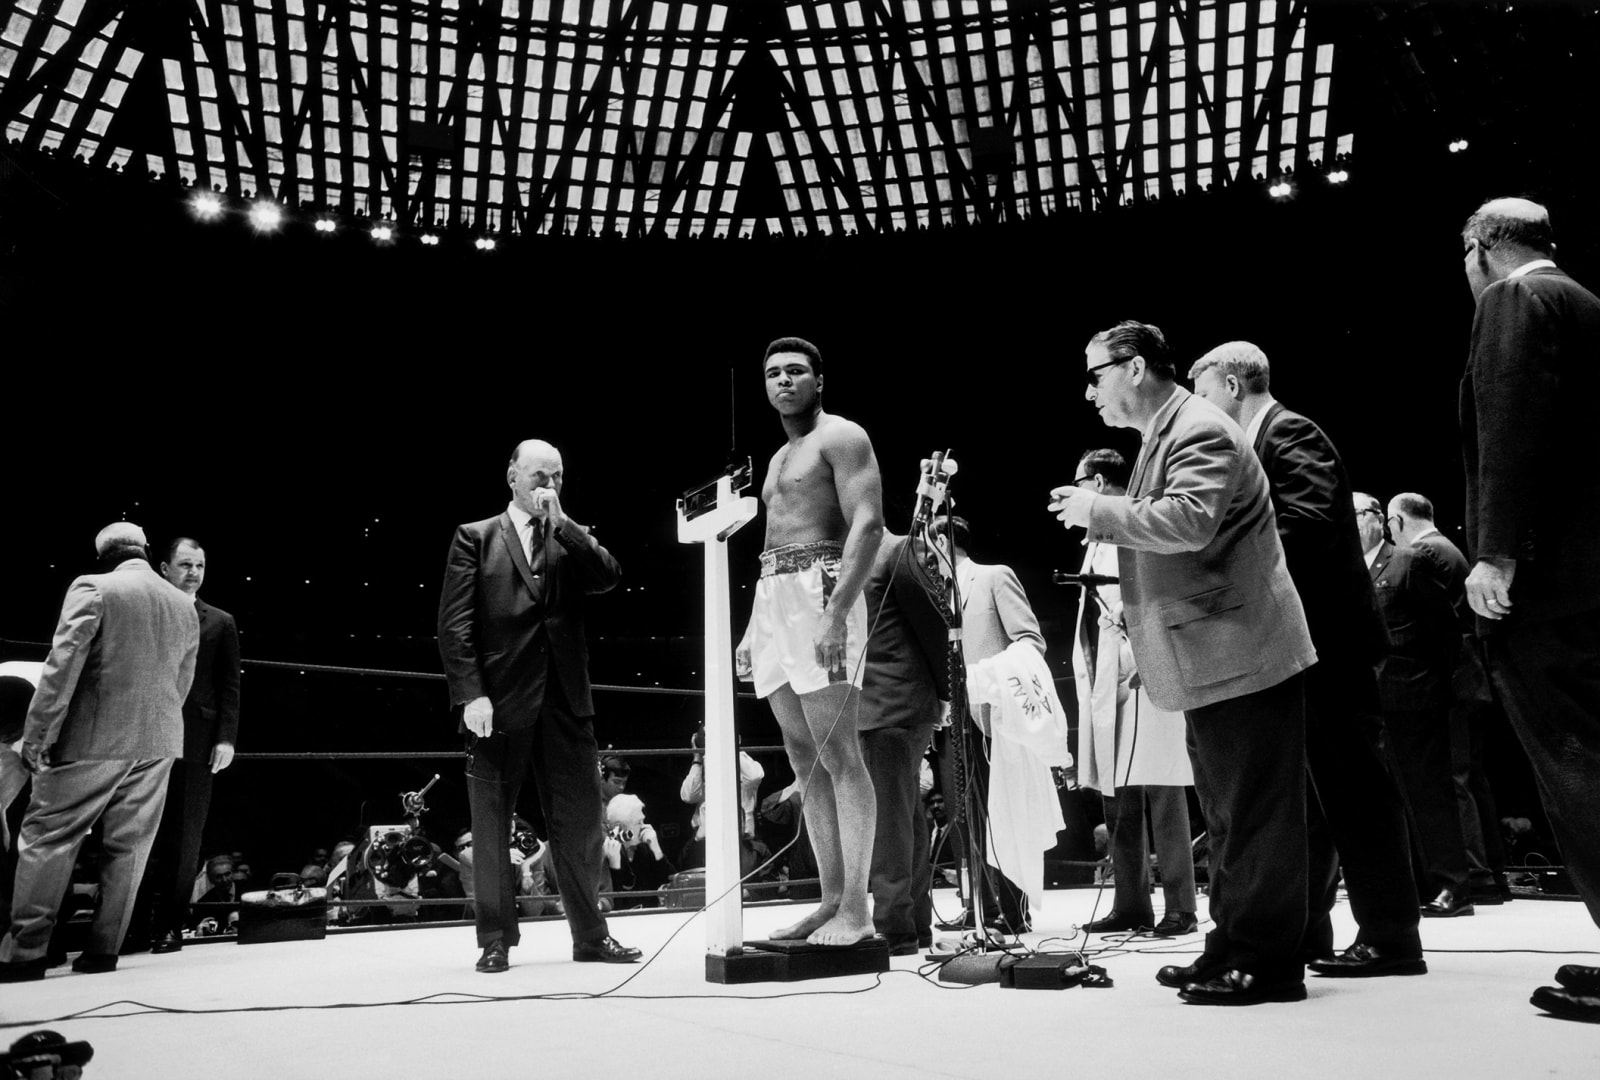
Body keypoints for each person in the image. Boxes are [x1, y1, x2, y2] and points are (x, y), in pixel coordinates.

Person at [1048, 321, 1316, 1006]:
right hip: (1215, 650)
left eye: (1094, 374)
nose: (1089, 392)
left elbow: (1191, 518)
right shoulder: (1165, 433)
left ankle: (1268, 964)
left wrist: (1098, 510)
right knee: (1229, 813)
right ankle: (1230, 946)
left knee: (1255, 812)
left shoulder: (1195, 427)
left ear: (1134, 368)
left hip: (1241, 648)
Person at [1189, 343, 1424, 978]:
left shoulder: (1290, 432)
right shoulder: (1264, 439)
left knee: (1355, 790)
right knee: (1312, 797)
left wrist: (1220, 561)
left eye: (1205, 395)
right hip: (1300, 645)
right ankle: (1308, 931)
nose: (1200, 413)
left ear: (1234, 385)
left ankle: (1392, 936)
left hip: (1332, 643)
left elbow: (1312, 521)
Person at [1457, 196, 1600, 1022]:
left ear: (1480, 247)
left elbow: (1510, 426)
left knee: (1577, 765)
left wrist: (1494, 550)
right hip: (1594, 577)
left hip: (1545, 585)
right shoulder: (1584, 301)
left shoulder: (1514, 300)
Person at [437, 438, 640, 972]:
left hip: (566, 701)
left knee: (581, 825)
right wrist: (470, 693)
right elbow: (454, 627)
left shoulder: (568, 537)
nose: (548, 485)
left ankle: (591, 936)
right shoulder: (474, 539)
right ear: (512, 475)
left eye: (557, 477)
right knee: (490, 825)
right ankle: (495, 940)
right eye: (538, 476)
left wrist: (566, 524)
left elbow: (609, 576)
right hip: (497, 704)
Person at [735, 336, 884, 948]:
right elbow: (771, 545)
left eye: (796, 371)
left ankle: (858, 909)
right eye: (773, 373)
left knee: (840, 753)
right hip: (775, 597)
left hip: (823, 590)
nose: (783, 381)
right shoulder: (776, 458)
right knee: (803, 759)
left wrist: (835, 613)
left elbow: (868, 524)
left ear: (819, 379)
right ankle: (828, 901)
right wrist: (751, 625)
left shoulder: (842, 436)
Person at [0, 523, 199, 982]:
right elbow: (182, 681)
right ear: (146, 551)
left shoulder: (94, 586)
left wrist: (37, 734)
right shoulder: (180, 602)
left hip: (93, 736)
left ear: (104, 556)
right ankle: (103, 951)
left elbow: (62, 664)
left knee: (49, 836)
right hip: (159, 737)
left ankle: (26, 953)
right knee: (130, 846)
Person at [1065, 450, 1198, 939]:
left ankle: (1181, 906)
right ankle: (1131, 903)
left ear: (1097, 482)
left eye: (1077, 484)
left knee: (1162, 789)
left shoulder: (1143, 522)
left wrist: (1150, 659)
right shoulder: (1096, 537)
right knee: (1116, 790)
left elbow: (1161, 597)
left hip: (1144, 669)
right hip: (1105, 673)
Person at [1387, 493, 1509, 907]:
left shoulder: (1425, 552)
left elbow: (1439, 629)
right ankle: (1490, 874)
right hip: (1469, 678)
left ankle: (1470, 875)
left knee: (1452, 780)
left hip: (1450, 681)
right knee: (1471, 777)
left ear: (1398, 522)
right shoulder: (1449, 550)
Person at [1356, 491, 1472, 918]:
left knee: (1429, 793)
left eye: (1354, 515)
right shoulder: (1352, 572)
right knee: (1390, 799)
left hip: (1414, 696)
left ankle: (1452, 885)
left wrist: (1433, 686)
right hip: (1372, 703)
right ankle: (1418, 883)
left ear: (1377, 519)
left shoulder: (1409, 560)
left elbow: (1445, 631)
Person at [926, 513, 1043, 934]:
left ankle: (1013, 911)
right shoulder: (937, 596)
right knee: (965, 815)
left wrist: (992, 680)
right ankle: (981, 907)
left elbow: (1030, 639)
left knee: (1002, 813)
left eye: (925, 543)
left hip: (994, 713)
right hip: (953, 718)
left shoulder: (994, 576)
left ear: (943, 541)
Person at [125, 537, 242, 955]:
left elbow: (230, 685)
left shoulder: (220, 621)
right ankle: (130, 927)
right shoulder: (146, 611)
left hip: (197, 740)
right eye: (185, 564)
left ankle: (169, 927)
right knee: (135, 835)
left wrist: (226, 738)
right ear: (164, 568)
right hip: (143, 737)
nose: (193, 572)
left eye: (200, 565)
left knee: (185, 839)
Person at [858, 530, 951, 954]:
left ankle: (894, 927)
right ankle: (910, 924)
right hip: (874, 701)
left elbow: (936, 623)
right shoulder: (851, 554)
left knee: (890, 818)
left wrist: (946, 692)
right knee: (904, 813)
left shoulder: (896, 549)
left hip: (895, 700)